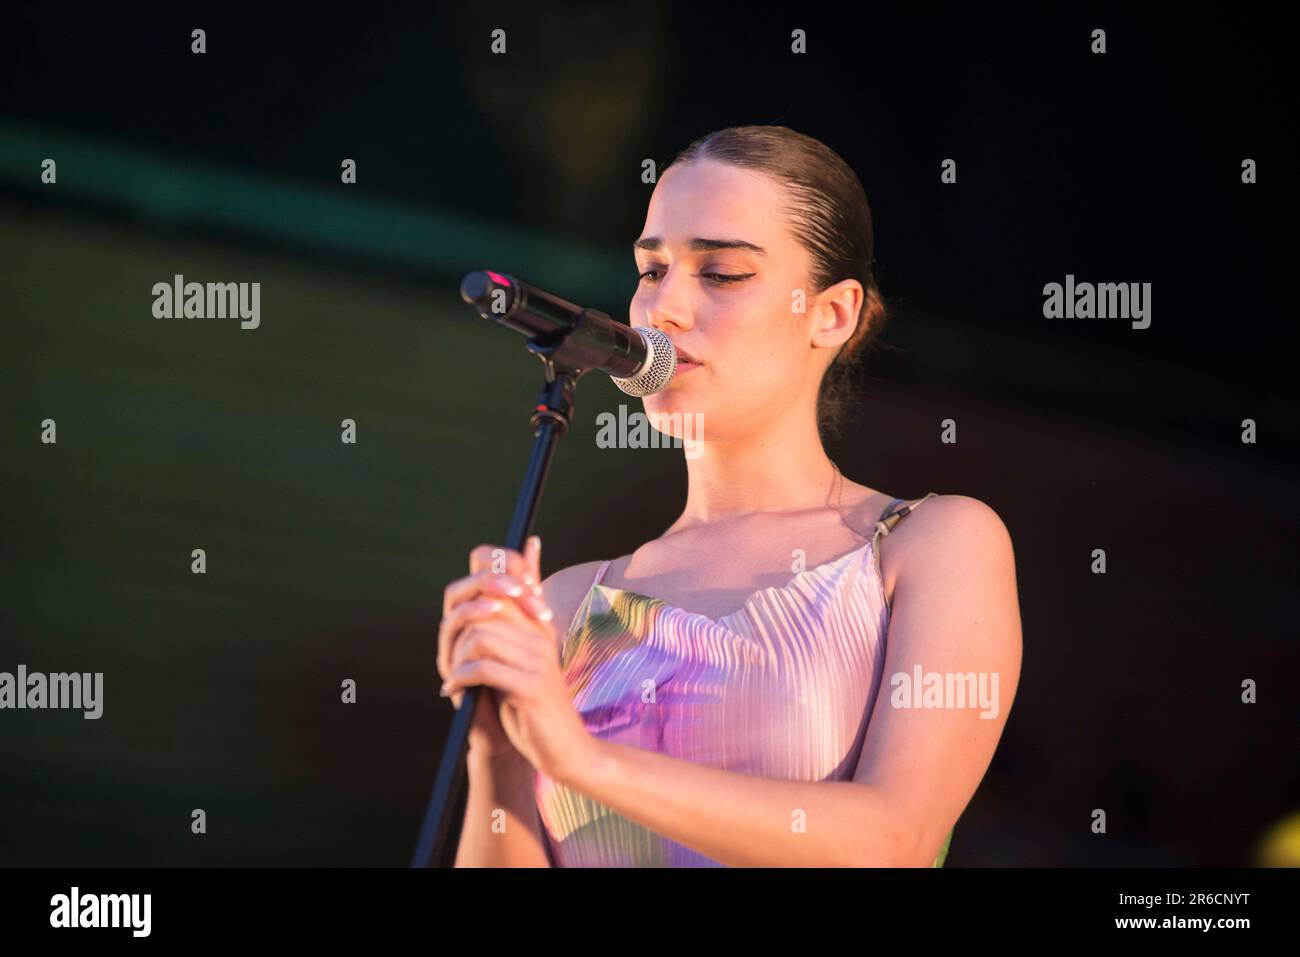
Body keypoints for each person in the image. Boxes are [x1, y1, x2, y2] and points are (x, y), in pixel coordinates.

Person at [437, 125, 1023, 867]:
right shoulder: (564, 603)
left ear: (831, 313)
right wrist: (494, 751)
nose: (664, 308)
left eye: (722, 273)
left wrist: (582, 758)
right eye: (652, 270)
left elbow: (893, 839)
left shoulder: (934, 542)